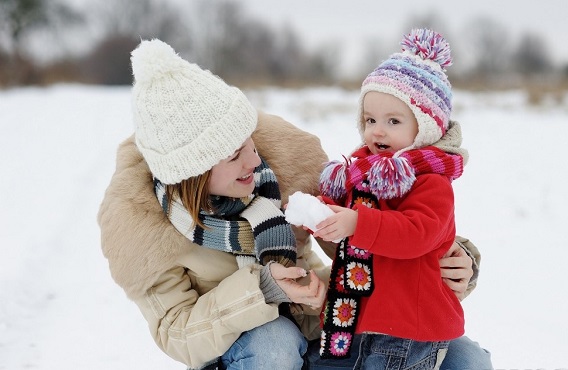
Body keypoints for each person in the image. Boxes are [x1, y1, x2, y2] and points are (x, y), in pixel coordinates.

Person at [97, 38, 489, 370]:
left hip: (320, 328)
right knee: (274, 340)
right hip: (247, 350)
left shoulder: (283, 171)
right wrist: (263, 289)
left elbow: (370, 235)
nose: (254, 160)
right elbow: (175, 331)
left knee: (465, 358)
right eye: (234, 156)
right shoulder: (143, 230)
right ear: (194, 173)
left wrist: (454, 260)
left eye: (249, 143)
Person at [305, 29, 490, 369]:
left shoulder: (432, 183)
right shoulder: (360, 174)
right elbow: (343, 224)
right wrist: (317, 215)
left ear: (426, 129)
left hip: (407, 332)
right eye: (370, 120)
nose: (377, 131)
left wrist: (357, 223)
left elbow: (416, 233)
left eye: (393, 121)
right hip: (356, 323)